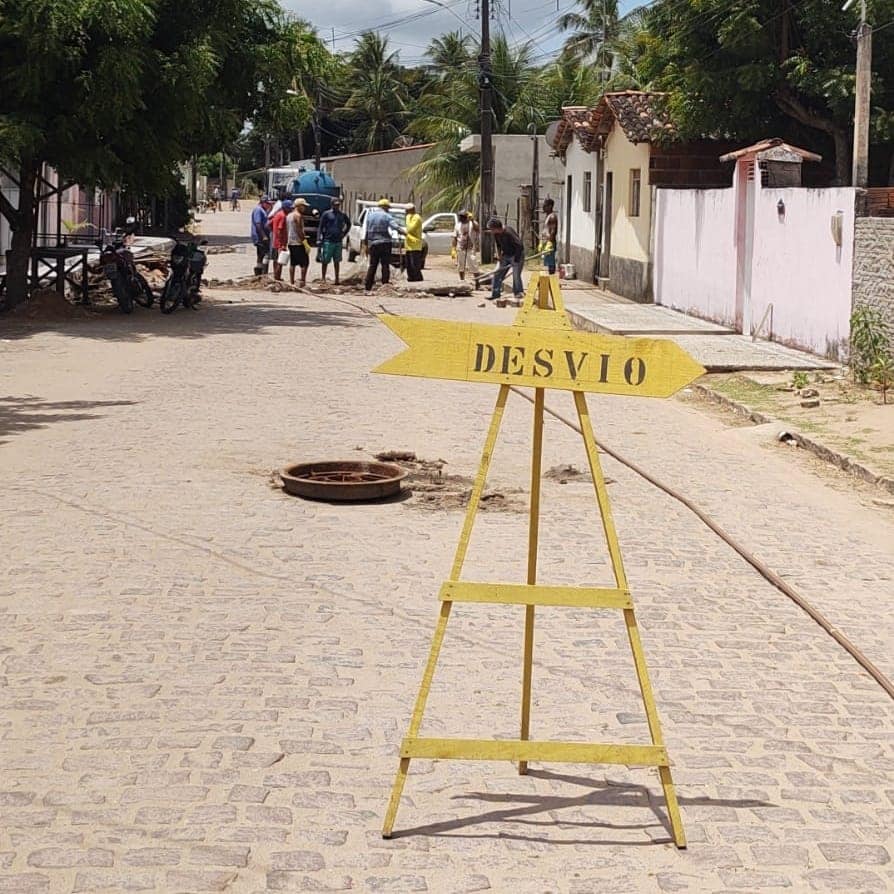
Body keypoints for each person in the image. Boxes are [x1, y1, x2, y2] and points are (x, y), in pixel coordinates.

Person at [362, 198, 406, 294]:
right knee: (385, 265)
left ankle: (368, 286)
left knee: (372, 265)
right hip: (385, 243)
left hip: (373, 244)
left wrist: (366, 244)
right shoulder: (386, 216)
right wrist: (404, 233)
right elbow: (395, 226)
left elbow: (366, 230)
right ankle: (385, 284)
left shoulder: (370, 216)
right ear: (385, 207)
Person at [487, 217, 525, 306]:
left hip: (516, 254)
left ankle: (518, 294)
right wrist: (499, 255)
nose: (491, 231)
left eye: (492, 229)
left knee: (516, 276)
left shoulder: (508, 232)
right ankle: (495, 294)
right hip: (506, 255)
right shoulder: (496, 234)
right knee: (497, 273)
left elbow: (519, 245)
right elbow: (498, 245)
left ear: (497, 228)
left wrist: (516, 260)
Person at [318, 197, 351, 285]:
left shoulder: (342, 215)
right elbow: (320, 227)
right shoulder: (326, 214)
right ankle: (323, 278)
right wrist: (319, 238)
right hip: (328, 240)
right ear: (331, 204)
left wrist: (344, 233)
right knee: (325, 260)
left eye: (338, 205)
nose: (337, 206)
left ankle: (337, 279)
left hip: (338, 241)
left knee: (337, 261)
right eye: (335, 205)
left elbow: (349, 224)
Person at [287, 198, 310, 287]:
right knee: (304, 263)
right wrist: (305, 242)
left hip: (290, 242)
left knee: (293, 262)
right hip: (298, 242)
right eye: (303, 206)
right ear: (299, 206)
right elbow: (299, 230)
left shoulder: (289, 215)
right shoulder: (298, 216)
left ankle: (292, 281)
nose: (304, 208)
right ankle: (302, 281)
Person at [269, 198, 293, 282]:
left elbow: (269, 224)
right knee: (280, 261)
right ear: (286, 208)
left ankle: (276, 276)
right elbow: (280, 229)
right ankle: (277, 277)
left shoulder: (277, 214)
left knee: (275, 260)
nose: (291, 209)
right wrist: (281, 244)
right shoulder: (283, 216)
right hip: (279, 243)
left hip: (275, 242)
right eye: (290, 208)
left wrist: (273, 233)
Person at [452, 210, 480, 280]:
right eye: (460, 216)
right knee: (461, 266)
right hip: (460, 248)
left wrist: (472, 220)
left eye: (462, 216)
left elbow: (477, 229)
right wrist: (453, 249)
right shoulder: (457, 225)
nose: (460, 218)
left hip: (470, 248)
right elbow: (455, 237)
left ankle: (477, 282)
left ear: (466, 217)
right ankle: (462, 280)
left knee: (474, 266)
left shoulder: (472, 224)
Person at [250, 195, 273, 271]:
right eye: (268, 203)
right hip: (260, 236)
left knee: (261, 254)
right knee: (265, 253)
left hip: (263, 235)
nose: (269, 205)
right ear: (263, 202)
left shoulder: (263, 210)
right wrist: (263, 236)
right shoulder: (258, 210)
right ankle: (263, 271)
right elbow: (258, 224)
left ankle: (259, 269)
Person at [404, 203, 424, 282]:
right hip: (408, 243)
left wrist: (404, 231)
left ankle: (418, 278)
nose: (406, 212)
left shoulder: (417, 218)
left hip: (415, 244)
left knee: (414, 263)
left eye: (407, 210)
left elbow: (410, 229)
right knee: (408, 264)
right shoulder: (408, 217)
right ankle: (411, 277)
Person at [541, 198, 558, 275]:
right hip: (545, 242)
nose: (543, 207)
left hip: (549, 243)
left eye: (545, 206)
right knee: (547, 263)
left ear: (550, 206)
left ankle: (552, 280)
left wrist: (549, 244)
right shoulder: (548, 216)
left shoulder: (552, 217)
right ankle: (548, 280)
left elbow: (553, 231)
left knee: (551, 263)